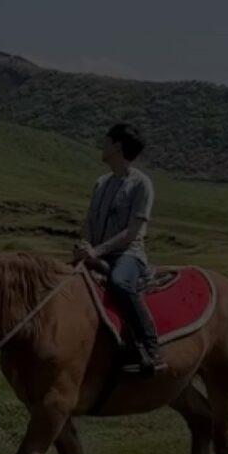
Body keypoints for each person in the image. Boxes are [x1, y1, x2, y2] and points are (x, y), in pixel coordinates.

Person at [73, 123, 166, 376]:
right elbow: (90, 222)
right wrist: (85, 246)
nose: (101, 146)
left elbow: (133, 232)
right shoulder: (101, 183)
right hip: (98, 251)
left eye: (106, 141)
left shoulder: (141, 185)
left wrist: (97, 251)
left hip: (129, 255)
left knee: (119, 283)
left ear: (117, 146)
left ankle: (150, 347)